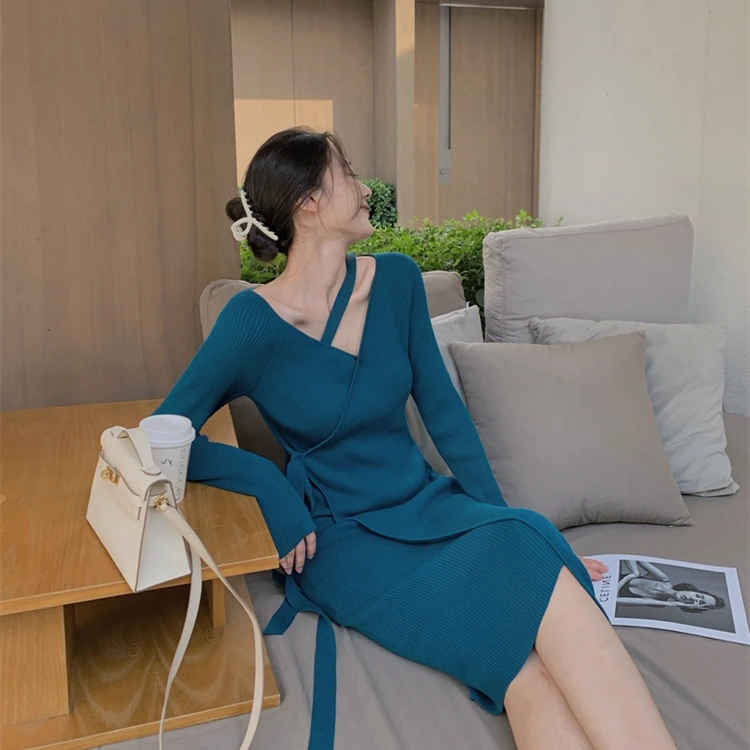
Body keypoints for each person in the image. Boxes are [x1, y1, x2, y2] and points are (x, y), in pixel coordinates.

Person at [154, 127, 677, 750]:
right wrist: (268, 485)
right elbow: (164, 436)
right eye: (347, 173)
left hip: (427, 506)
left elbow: (444, 413)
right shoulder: (251, 323)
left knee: (526, 608)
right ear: (309, 202)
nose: (364, 189)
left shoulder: (396, 282)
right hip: (342, 542)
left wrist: (499, 519)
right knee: (524, 662)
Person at [618, 559, 726, 613]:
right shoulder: (662, 579)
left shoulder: (659, 603)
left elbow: (616, 601)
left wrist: (671, 604)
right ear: (694, 591)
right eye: (698, 596)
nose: (692, 599)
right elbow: (633, 557)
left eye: (698, 603)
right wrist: (635, 573)